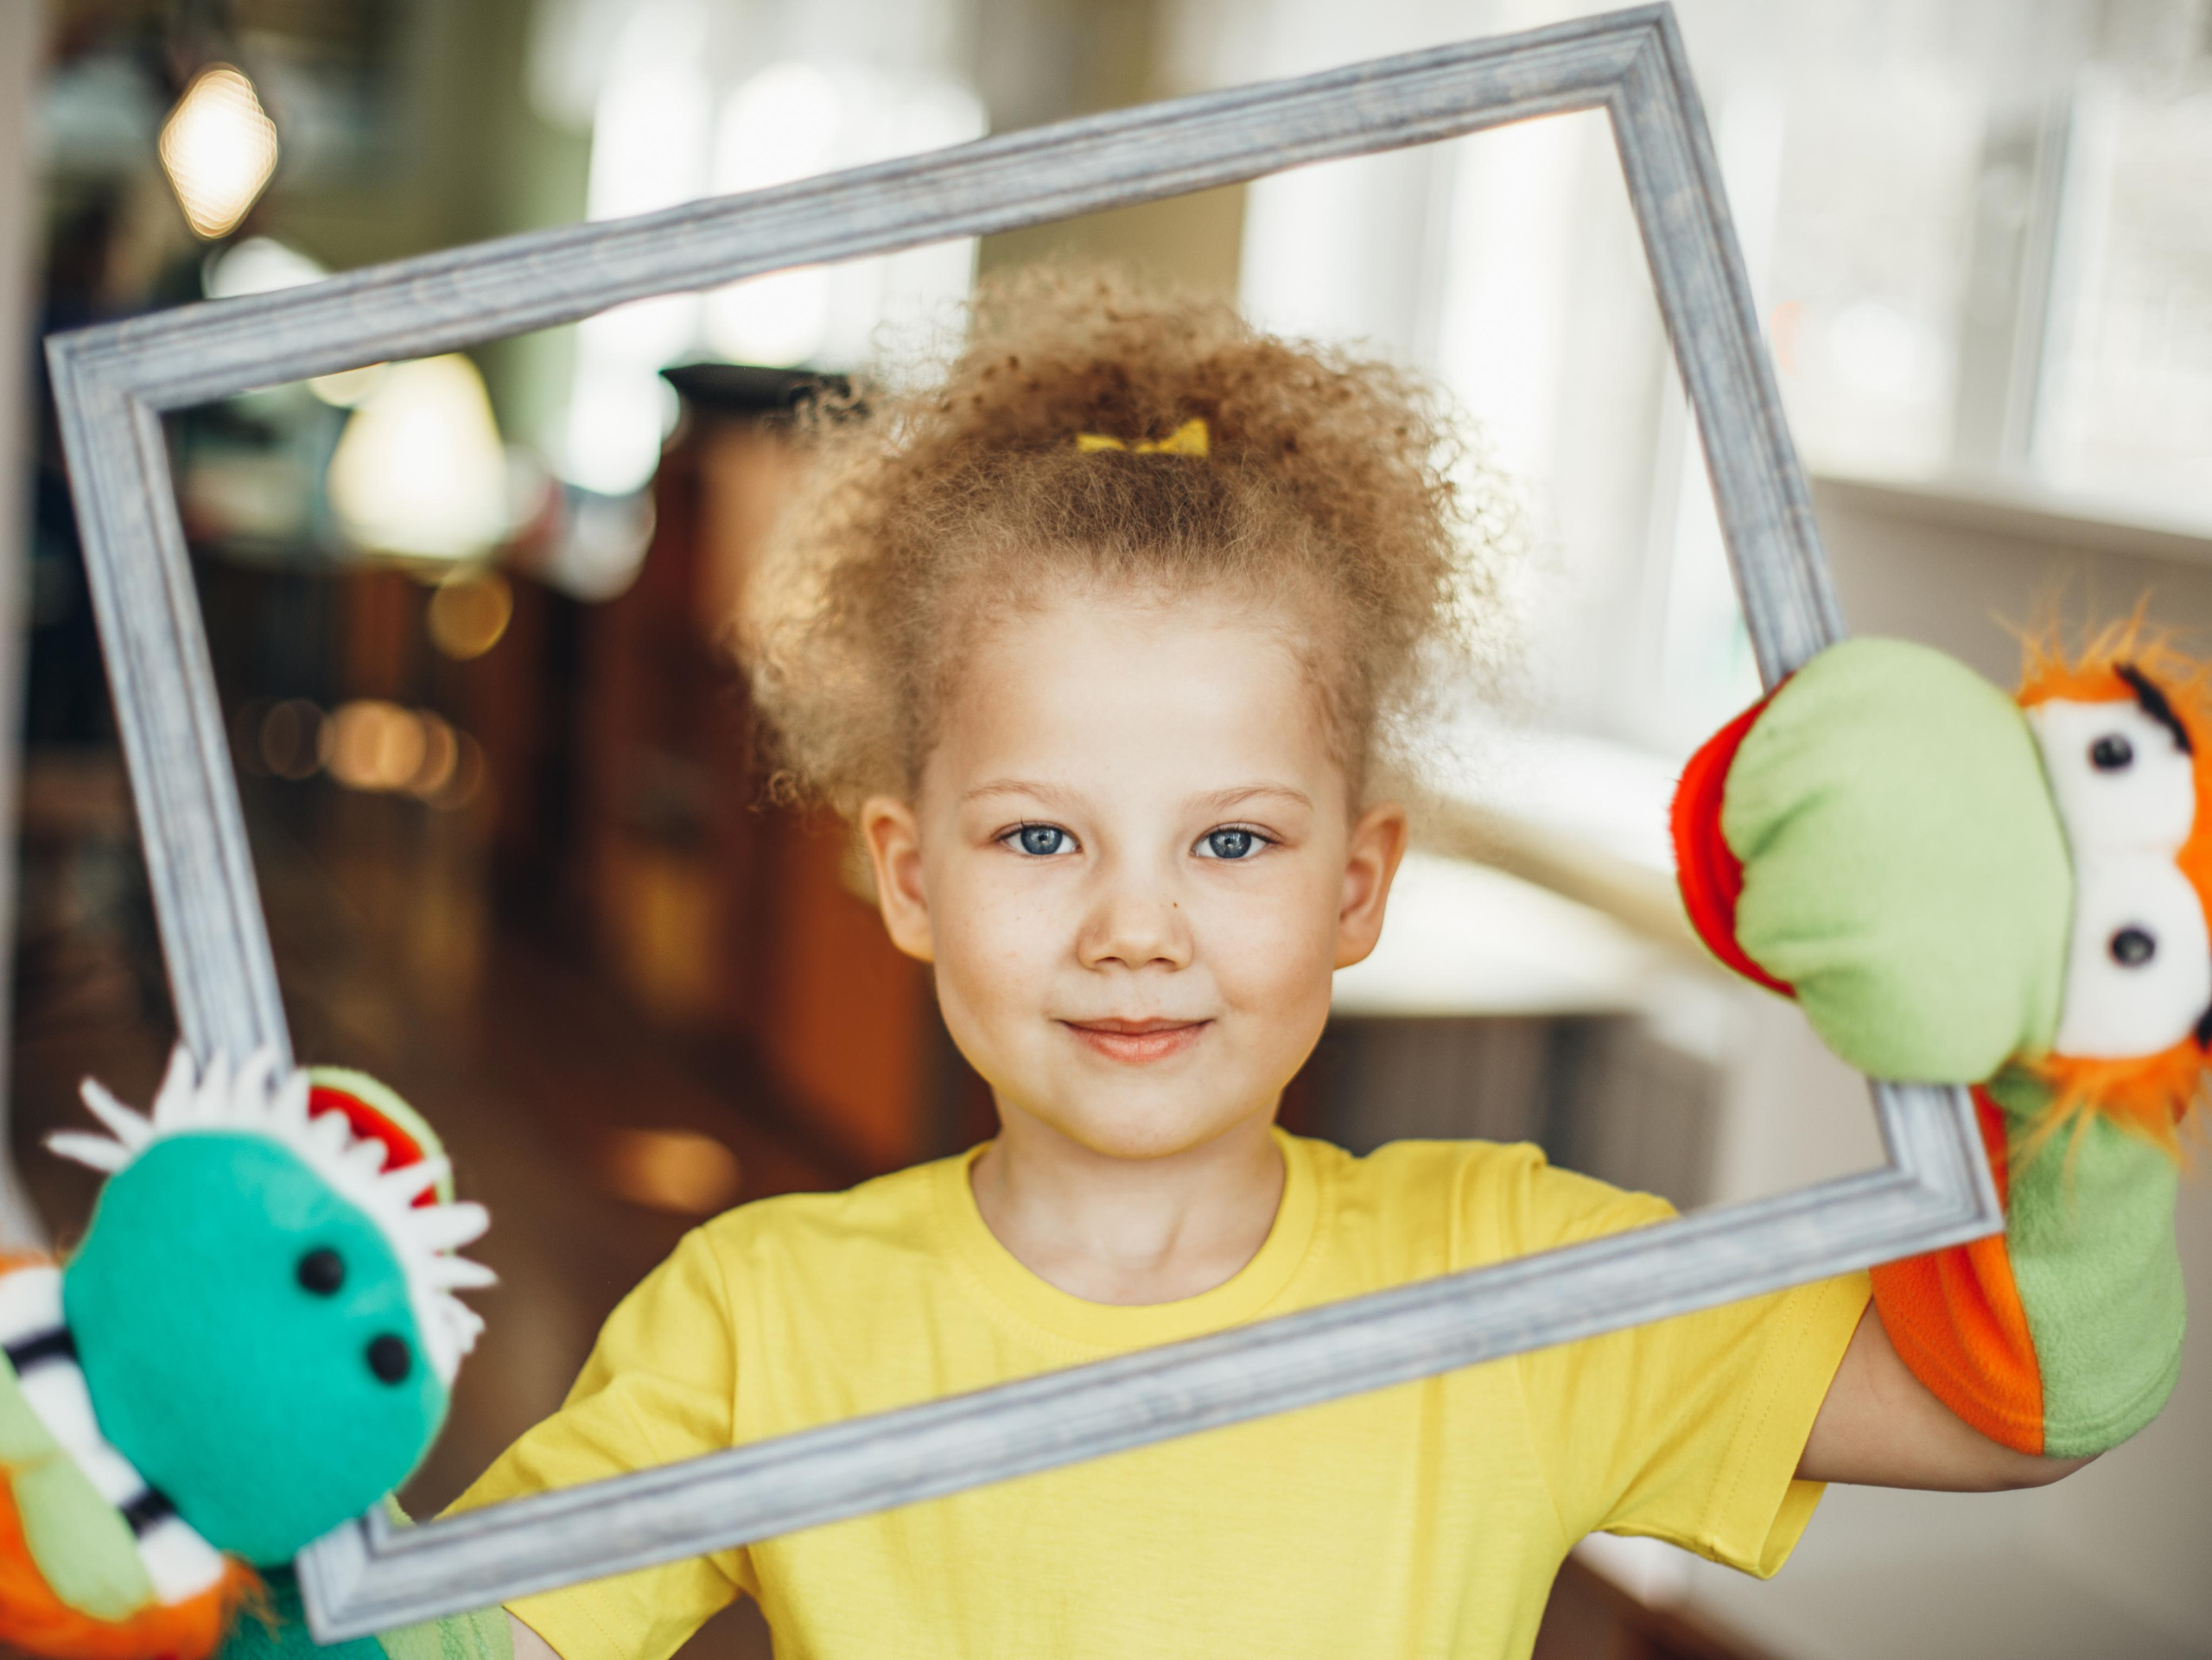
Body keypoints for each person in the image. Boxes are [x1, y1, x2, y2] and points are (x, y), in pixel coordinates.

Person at [453, 269, 2115, 1660]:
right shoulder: (763, 1318)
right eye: (1042, 838)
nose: (1135, 926)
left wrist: (2088, 1049)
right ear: (906, 875)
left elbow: (2021, 1410)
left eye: (1232, 841)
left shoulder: (1514, 1289)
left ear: (1356, 884)